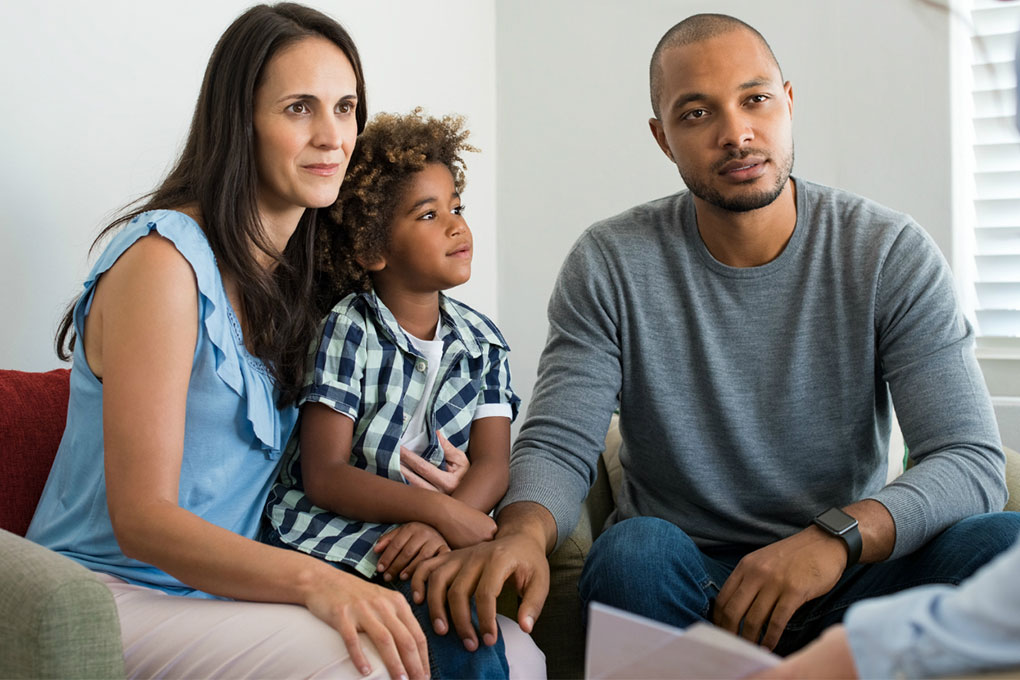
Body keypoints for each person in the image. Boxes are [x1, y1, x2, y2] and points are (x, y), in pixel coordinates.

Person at [409, 12, 1020, 659]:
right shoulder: (611, 262)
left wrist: (832, 539)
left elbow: (968, 457)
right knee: (634, 550)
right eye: (697, 113)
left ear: (788, 103)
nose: (736, 133)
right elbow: (561, 444)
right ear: (663, 137)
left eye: (755, 99)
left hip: (851, 575)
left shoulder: (888, 252)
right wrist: (522, 533)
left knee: (1003, 543)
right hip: (691, 580)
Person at [25, 4, 430, 678]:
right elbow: (143, 520)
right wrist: (316, 581)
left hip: (218, 598)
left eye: (345, 107)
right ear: (241, 120)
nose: (333, 136)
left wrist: (441, 504)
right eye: (300, 108)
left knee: (506, 644)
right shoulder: (164, 261)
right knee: (359, 660)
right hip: (103, 595)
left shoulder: (305, 278)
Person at [263, 109, 543, 679]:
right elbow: (325, 473)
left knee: (464, 605)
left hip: (432, 533)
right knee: (444, 612)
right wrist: (439, 512)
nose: (456, 226)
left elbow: (493, 462)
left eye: (457, 208)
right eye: (429, 214)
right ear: (372, 249)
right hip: (333, 533)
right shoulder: (348, 328)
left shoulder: (484, 341)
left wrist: (444, 524)